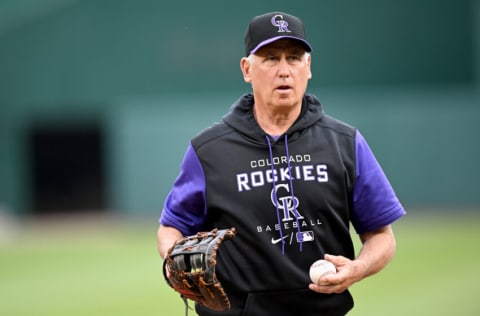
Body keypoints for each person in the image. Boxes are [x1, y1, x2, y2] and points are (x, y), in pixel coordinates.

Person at [157, 11, 406, 316]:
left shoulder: (344, 143)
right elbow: (172, 227)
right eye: (271, 58)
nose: (284, 70)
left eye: (294, 58)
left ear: (308, 67)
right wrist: (173, 258)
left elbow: (381, 235)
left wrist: (359, 268)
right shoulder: (209, 150)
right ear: (247, 69)